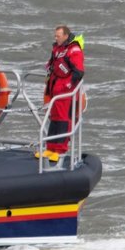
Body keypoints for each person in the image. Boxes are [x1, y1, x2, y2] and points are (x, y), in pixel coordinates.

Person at [41, 24, 85, 162]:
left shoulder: (74, 50)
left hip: (65, 91)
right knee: (53, 118)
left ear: (66, 36)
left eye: (58, 36)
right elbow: (53, 63)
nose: (56, 38)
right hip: (55, 89)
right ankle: (50, 147)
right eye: (55, 36)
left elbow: (79, 71)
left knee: (63, 120)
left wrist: (68, 84)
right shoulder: (57, 48)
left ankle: (60, 149)